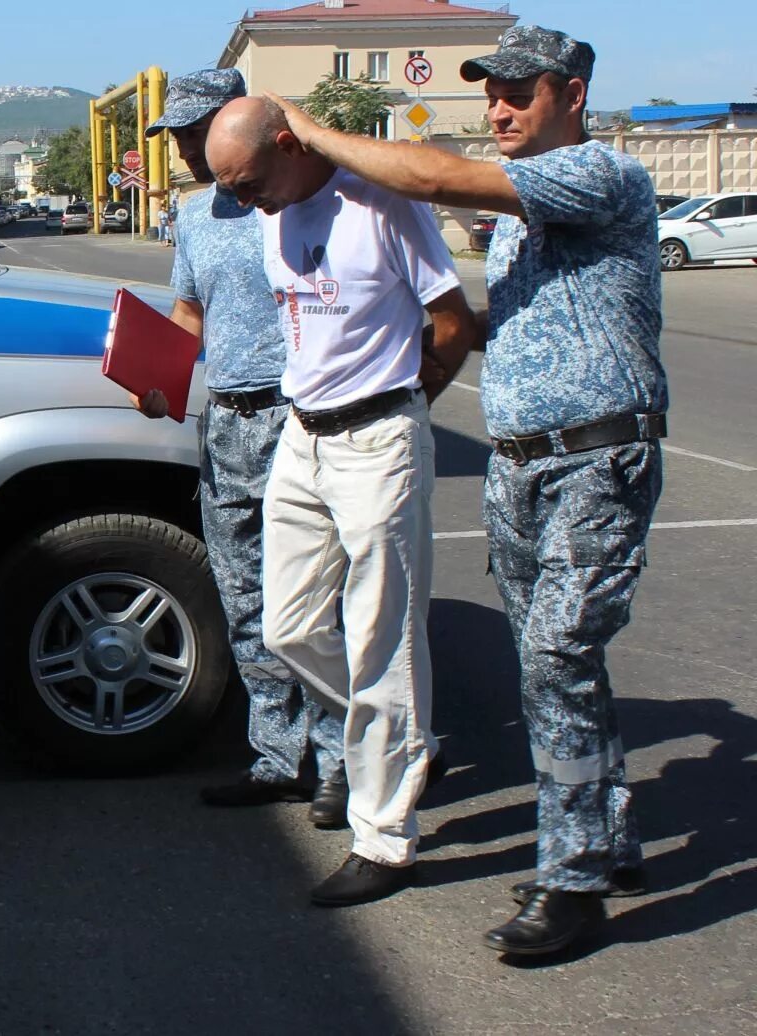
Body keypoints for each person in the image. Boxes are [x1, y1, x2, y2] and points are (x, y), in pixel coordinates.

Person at [264, 25, 668, 958]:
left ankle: (571, 882)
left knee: (557, 659)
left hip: (594, 461)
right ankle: (608, 834)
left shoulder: (597, 174)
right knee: (555, 662)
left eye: (519, 94)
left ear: (571, 94)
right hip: (523, 463)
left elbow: (434, 179)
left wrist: (314, 132)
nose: (498, 109)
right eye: (491, 92)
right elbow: (515, 318)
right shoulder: (529, 217)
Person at [205, 96, 481, 908]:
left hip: (377, 438)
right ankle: (402, 737)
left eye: (251, 181)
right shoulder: (271, 210)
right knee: (289, 627)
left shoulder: (380, 204)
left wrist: (404, 407)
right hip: (303, 436)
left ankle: (386, 840)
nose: (247, 201)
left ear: (291, 144)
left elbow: (454, 321)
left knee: (382, 642)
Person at [134, 69, 346, 825]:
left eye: (196, 132)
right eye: (179, 138)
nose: (187, 150)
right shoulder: (193, 215)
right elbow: (191, 312)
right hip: (226, 421)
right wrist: (162, 379)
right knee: (244, 596)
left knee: (315, 601)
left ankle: (342, 760)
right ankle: (277, 756)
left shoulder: (290, 195)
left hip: (296, 417)